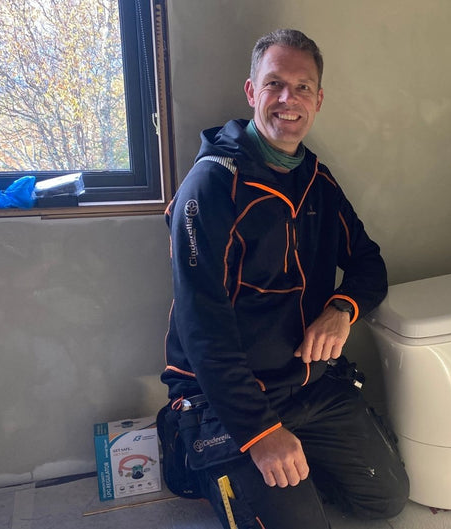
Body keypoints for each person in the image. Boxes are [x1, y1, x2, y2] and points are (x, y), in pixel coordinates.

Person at [160, 29, 409, 529]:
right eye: (274, 84)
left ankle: (287, 478)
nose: (287, 99)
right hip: (230, 400)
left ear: (318, 99)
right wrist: (259, 432)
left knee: (386, 499)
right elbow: (201, 330)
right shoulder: (211, 186)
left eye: (302, 87)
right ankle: (209, 457)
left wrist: (342, 310)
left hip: (310, 387)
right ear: (252, 92)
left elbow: (368, 262)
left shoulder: (317, 182)